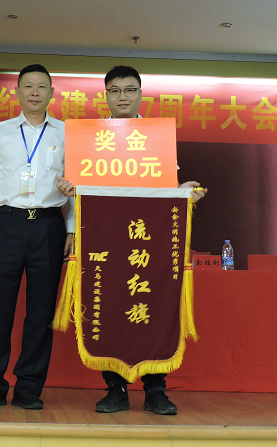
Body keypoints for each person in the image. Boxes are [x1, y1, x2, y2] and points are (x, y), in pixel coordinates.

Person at [56, 65, 206, 416]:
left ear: (140, 94)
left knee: (153, 304)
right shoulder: (91, 138)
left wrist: (184, 193)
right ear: (105, 95)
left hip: (148, 240)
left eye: (129, 90)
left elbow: (165, 188)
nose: (122, 97)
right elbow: (81, 192)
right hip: (102, 238)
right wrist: (70, 205)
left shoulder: (155, 136)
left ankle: (156, 390)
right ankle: (115, 388)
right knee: (108, 307)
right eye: (115, 90)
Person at [0, 64, 75, 411]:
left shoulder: (66, 133)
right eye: (28, 86)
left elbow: (77, 185)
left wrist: (72, 228)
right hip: (8, 224)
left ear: (51, 93)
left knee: (41, 312)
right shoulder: (0, 132)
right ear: (16, 92)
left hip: (49, 225)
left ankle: (29, 387)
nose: (34, 92)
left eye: (41, 86)